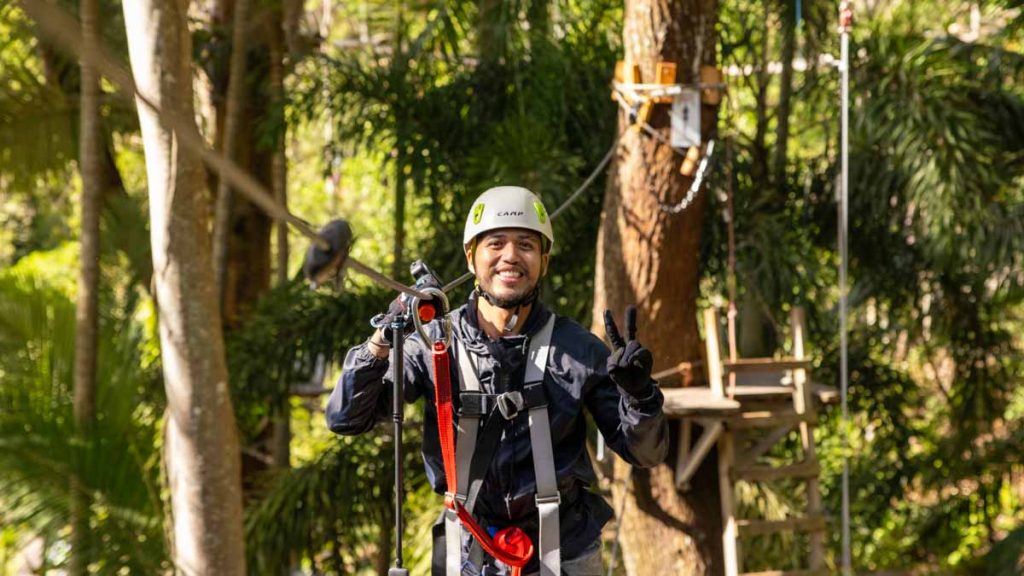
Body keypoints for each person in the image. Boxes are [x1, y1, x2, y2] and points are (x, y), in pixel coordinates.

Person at [326, 186, 668, 576]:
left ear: (543, 261)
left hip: (563, 550)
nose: (510, 256)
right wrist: (383, 338)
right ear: (472, 258)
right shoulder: (434, 343)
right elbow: (345, 418)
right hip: (468, 550)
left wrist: (640, 396)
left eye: (526, 244)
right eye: (496, 244)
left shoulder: (576, 350)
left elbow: (646, 454)